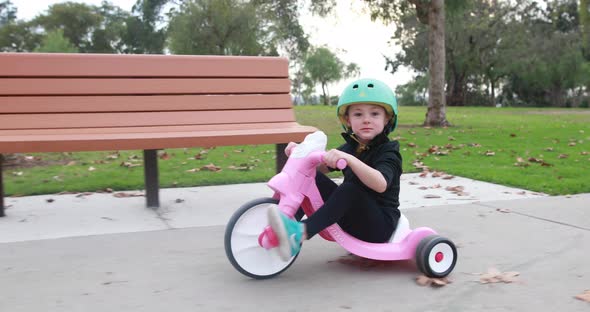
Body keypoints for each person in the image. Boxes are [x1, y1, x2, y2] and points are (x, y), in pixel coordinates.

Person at [268, 78, 403, 262]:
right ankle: (286, 222)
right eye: (358, 114)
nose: (366, 120)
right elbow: (317, 168)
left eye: (374, 114)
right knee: (311, 176)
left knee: (350, 190)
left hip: (379, 226)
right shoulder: (350, 147)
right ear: (348, 120)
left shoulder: (389, 151)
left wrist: (350, 160)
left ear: (387, 118)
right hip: (351, 218)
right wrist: (299, 154)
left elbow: (381, 184)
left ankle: (300, 233)